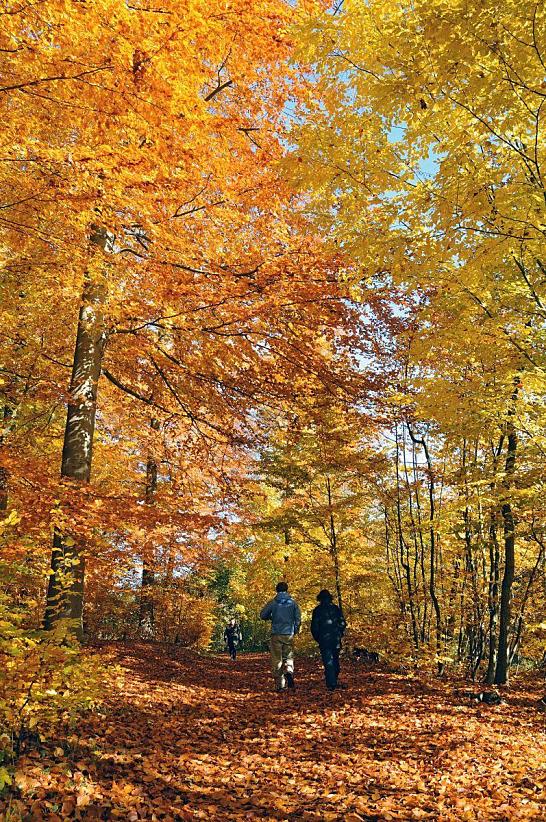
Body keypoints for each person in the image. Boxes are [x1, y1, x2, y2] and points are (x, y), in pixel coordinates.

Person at [260, 581, 301, 692]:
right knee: (288, 656)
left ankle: (280, 685)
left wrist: (271, 617)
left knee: (277, 659)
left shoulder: (273, 602)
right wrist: (295, 629)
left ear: (276, 590)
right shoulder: (293, 603)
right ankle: (289, 670)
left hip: (276, 633)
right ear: (287, 590)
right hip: (289, 633)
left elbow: (262, 615)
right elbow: (298, 618)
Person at [311, 589, 346, 691]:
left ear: (320, 599)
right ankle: (333, 680)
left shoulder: (317, 610)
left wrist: (318, 638)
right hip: (335, 638)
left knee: (328, 661)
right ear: (330, 598)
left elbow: (314, 627)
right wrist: (340, 633)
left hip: (324, 639)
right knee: (335, 659)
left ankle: (331, 683)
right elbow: (343, 623)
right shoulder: (336, 609)